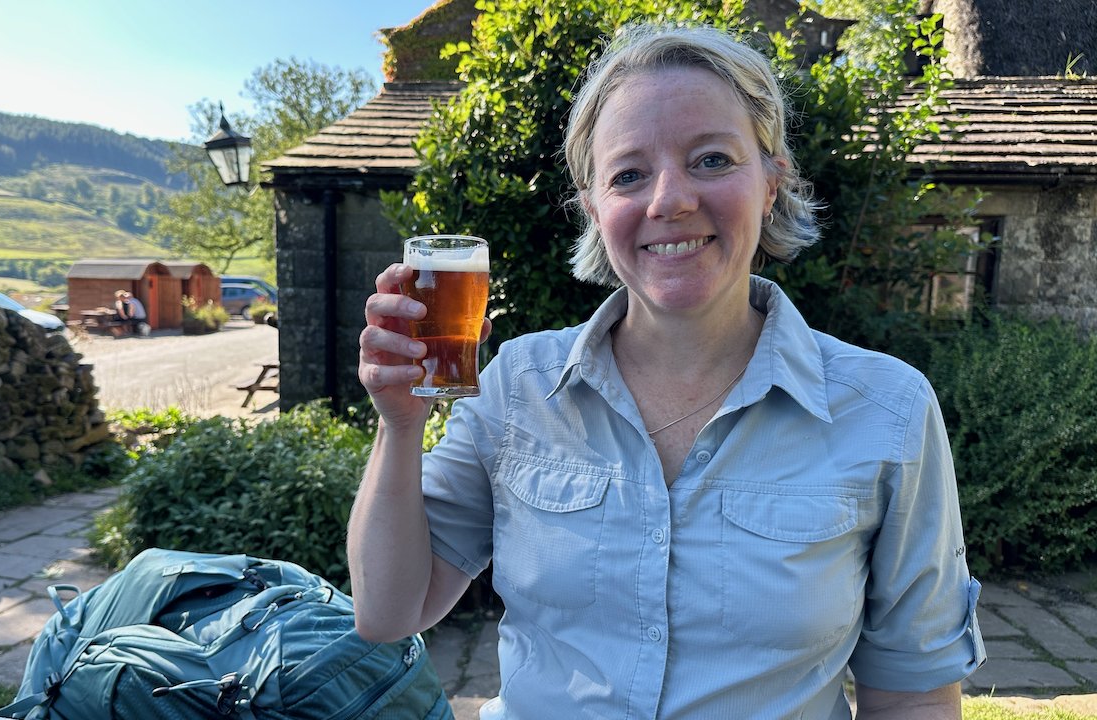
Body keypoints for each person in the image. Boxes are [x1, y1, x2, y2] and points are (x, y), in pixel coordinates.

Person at [349, 23, 986, 719]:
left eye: (712, 159)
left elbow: (915, 695)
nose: (669, 199)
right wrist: (400, 426)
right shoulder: (517, 386)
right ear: (594, 209)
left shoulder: (886, 409)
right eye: (628, 174)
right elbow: (390, 611)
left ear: (772, 183)